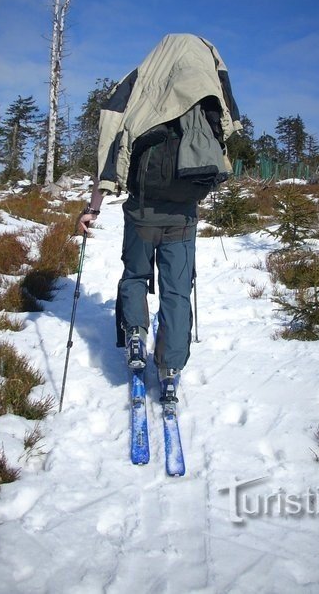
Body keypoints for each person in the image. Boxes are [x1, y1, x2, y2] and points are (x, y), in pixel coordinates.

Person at [78, 34, 241, 405]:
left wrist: (94, 206)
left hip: (141, 212)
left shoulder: (137, 84)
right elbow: (229, 130)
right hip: (183, 217)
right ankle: (170, 368)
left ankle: (136, 332)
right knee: (177, 293)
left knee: (135, 275)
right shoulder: (207, 91)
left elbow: (109, 137)